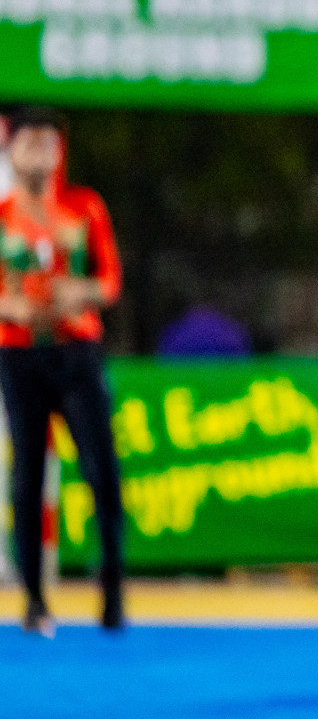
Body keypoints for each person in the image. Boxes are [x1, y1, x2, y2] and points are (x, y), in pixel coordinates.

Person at [0, 107, 125, 633]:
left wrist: (82, 292)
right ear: (11, 149)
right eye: (30, 143)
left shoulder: (85, 208)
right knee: (27, 476)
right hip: (20, 354)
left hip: (77, 354)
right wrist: (12, 308)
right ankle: (33, 597)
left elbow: (111, 281)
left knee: (102, 471)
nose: (41, 154)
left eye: (49, 144)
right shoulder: (3, 216)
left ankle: (113, 592)